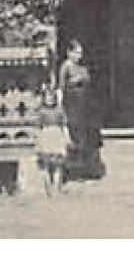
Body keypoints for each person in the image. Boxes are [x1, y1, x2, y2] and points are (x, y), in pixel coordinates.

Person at [58, 39, 105, 180]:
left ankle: (87, 168)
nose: (79, 56)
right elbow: (62, 86)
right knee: (74, 134)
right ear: (69, 52)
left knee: (86, 135)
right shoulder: (66, 66)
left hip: (84, 104)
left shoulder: (82, 67)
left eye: (80, 53)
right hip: (72, 103)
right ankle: (72, 171)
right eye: (76, 52)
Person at [33, 86, 69, 196]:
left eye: (52, 97)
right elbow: (38, 127)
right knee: (46, 165)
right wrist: (38, 140)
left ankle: (57, 187)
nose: (50, 100)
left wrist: (67, 137)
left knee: (58, 164)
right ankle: (48, 189)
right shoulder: (41, 111)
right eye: (48, 97)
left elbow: (64, 125)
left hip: (57, 135)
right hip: (46, 135)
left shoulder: (59, 110)